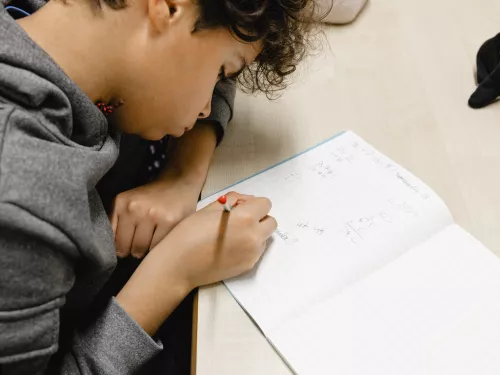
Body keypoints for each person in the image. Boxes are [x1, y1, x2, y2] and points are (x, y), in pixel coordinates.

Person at [0, 0, 319, 374]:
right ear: (168, 8)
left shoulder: (60, 23)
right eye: (221, 69)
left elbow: (216, 42)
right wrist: (174, 270)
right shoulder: (22, 203)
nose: (204, 109)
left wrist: (182, 176)